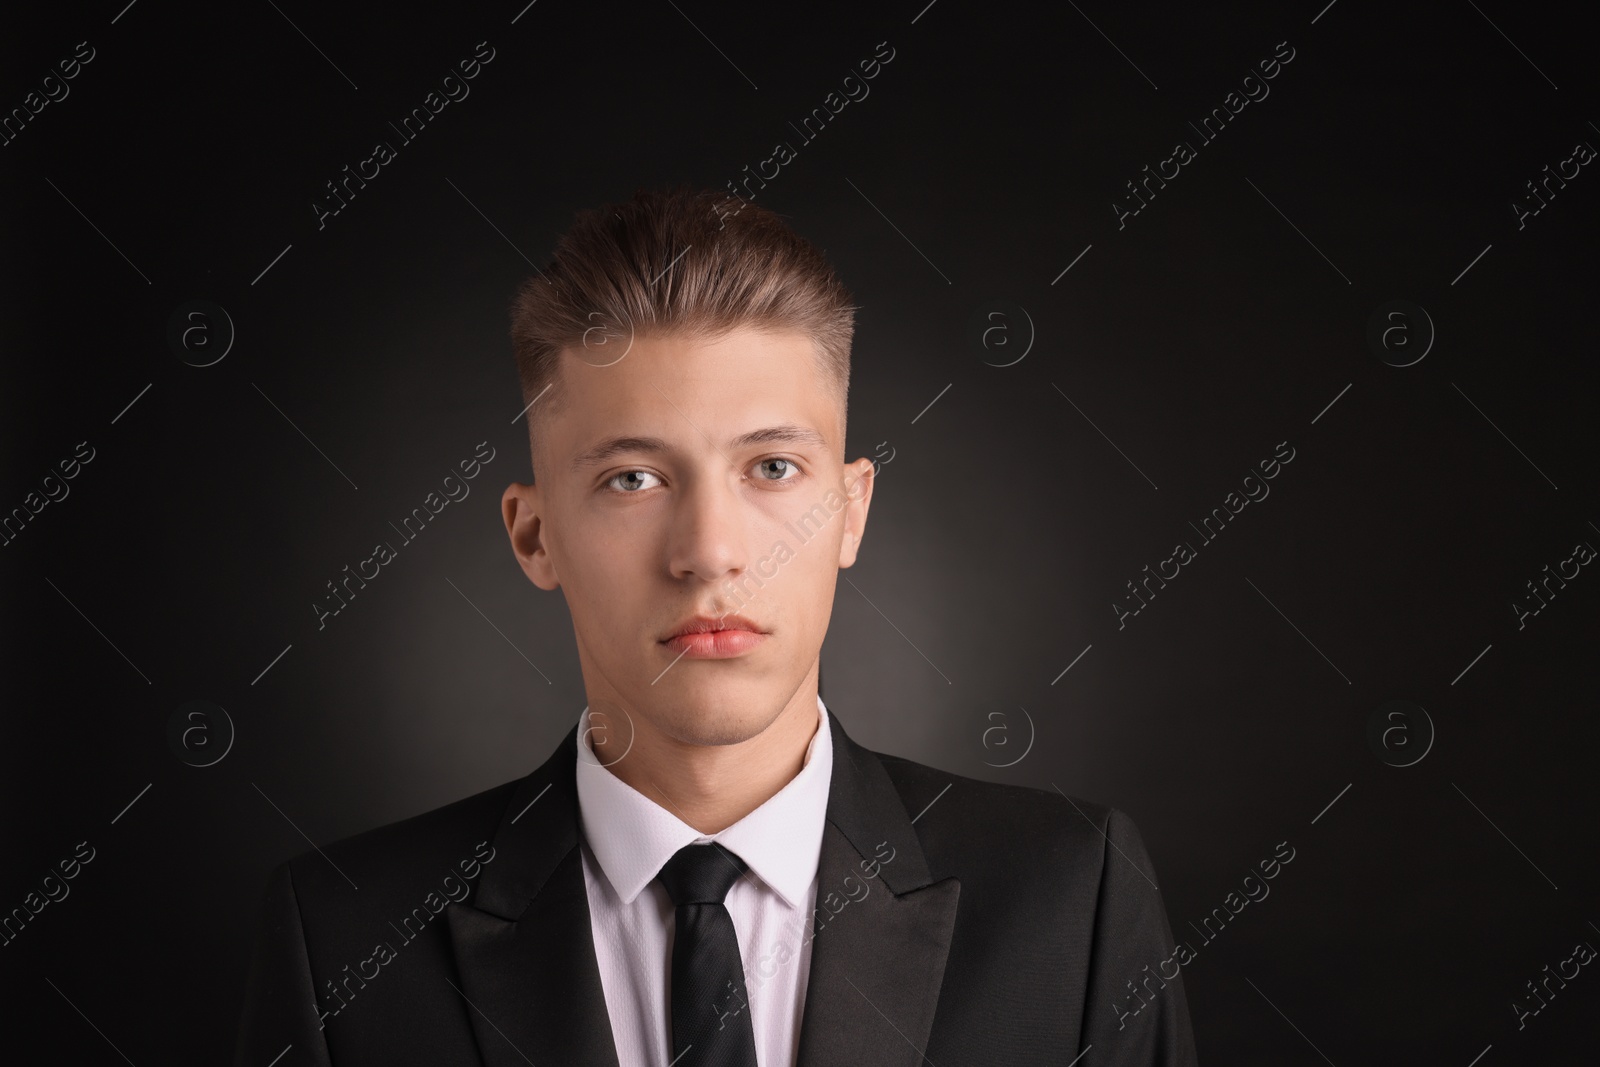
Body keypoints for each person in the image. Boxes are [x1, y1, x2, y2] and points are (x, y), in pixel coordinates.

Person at [232, 186, 1198, 1066]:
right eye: (633, 478)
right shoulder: (344, 942)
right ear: (534, 536)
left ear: (852, 511)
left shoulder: (1076, 901)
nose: (711, 551)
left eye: (772, 466)